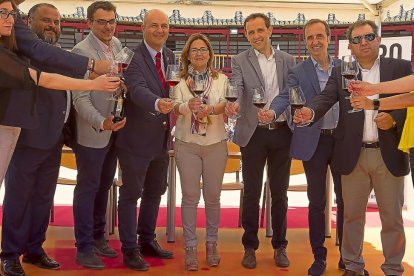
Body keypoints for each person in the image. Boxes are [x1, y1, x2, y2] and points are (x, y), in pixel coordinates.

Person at [0, 1, 119, 275]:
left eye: (56, 21)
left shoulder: (57, 55)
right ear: (27, 24)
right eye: (46, 20)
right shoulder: (21, 53)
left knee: (43, 198)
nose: (53, 25)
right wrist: (93, 68)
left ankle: (34, 248)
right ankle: (9, 254)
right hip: (26, 138)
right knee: (19, 198)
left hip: (53, 139)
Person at [294, 20, 411, 276]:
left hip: (387, 152)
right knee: (351, 217)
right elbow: (326, 98)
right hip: (352, 154)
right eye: (357, 39)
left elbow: (410, 103)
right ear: (351, 46)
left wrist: (393, 120)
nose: (363, 43)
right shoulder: (343, 71)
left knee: (392, 218)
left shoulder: (400, 67)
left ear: (378, 40)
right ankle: (353, 266)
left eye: (368, 37)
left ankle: (393, 268)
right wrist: (309, 111)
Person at [259, 19, 345, 276]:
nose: (315, 41)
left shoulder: (345, 68)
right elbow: (286, 96)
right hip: (313, 142)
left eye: (320, 36)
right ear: (305, 41)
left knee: (346, 201)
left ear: (329, 38)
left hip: (343, 140)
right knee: (316, 202)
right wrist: (272, 113)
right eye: (310, 37)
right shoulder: (298, 71)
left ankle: (347, 255)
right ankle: (319, 257)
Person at [225, 12, 295, 269]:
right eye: (250, 32)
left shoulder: (288, 60)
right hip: (252, 133)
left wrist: (277, 111)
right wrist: (232, 102)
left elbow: (290, 92)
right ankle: (250, 246)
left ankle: (280, 246)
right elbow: (237, 85)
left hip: (281, 131)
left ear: (270, 30)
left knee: (280, 194)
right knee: (252, 192)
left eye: (259, 30)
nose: (255, 36)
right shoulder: (239, 59)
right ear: (246, 35)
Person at [115, 9, 175, 271]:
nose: (160, 30)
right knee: (131, 194)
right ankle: (129, 249)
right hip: (135, 139)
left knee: (155, 191)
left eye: (164, 26)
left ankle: (147, 239)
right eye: (154, 26)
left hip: (161, 139)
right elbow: (136, 90)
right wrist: (158, 102)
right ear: (143, 28)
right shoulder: (132, 57)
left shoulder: (171, 56)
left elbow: (176, 87)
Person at [71, 1, 126, 270]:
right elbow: (79, 98)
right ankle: (83, 246)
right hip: (93, 130)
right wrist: (101, 121)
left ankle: (98, 237)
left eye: (111, 21)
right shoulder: (80, 52)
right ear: (89, 23)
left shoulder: (116, 45)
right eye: (102, 21)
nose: (108, 26)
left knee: (104, 186)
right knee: (87, 187)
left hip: (114, 129)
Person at [171, 33, 228, 271]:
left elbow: (226, 102)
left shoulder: (221, 79)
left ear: (209, 53)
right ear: (187, 55)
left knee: (213, 197)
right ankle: (191, 246)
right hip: (187, 143)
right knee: (191, 197)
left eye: (203, 49)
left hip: (215, 143)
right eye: (194, 49)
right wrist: (187, 106)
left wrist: (211, 109)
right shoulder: (179, 80)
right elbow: (173, 105)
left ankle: (212, 243)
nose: (199, 53)